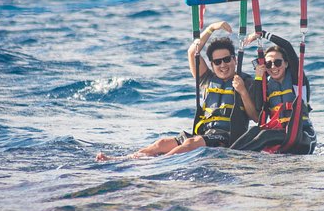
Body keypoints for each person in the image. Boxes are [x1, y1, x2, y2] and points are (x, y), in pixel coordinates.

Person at [96, 21, 257, 160]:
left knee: (191, 143)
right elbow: (193, 52)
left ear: (235, 59)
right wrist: (211, 28)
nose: (223, 65)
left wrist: (242, 91)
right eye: (217, 61)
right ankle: (125, 159)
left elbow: (255, 117)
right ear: (212, 64)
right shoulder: (206, 79)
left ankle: (156, 164)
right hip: (204, 133)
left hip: (228, 136)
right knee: (161, 143)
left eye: (227, 59)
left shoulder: (246, 81)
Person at [230, 29, 316, 154]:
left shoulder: (297, 80)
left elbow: (287, 47)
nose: (273, 67)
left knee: (265, 136)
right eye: (269, 64)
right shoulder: (268, 86)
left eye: (277, 62)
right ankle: (230, 155)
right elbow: (258, 110)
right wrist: (259, 77)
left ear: (286, 63)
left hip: (302, 135)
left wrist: (262, 34)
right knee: (253, 131)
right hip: (281, 136)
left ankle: (238, 157)